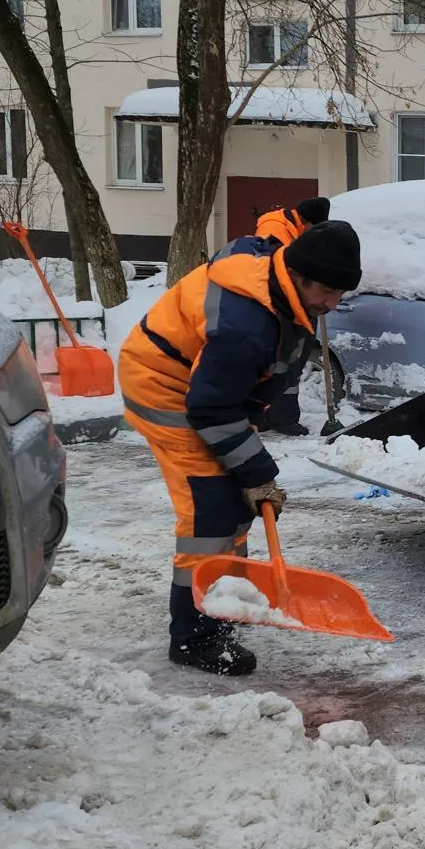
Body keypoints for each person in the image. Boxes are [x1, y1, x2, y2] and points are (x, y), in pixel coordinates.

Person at [117, 220, 362, 675]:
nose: (333, 304)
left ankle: (227, 599)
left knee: (235, 503)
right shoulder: (244, 325)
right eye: (327, 291)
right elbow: (210, 407)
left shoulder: (278, 277)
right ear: (300, 274)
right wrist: (256, 472)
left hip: (207, 386)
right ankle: (195, 638)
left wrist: (247, 460)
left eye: (341, 293)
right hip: (165, 386)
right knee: (209, 512)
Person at [252, 196, 333, 435]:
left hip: (288, 306)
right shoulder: (275, 231)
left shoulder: (292, 228)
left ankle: (270, 414)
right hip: (281, 308)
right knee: (288, 361)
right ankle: (282, 418)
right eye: (315, 227)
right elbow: (278, 274)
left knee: (287, 363)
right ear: (306, 221)